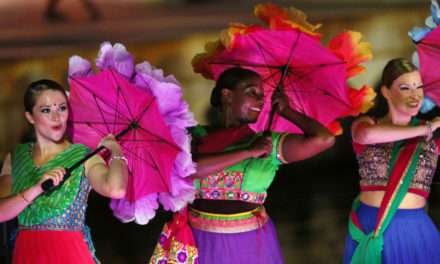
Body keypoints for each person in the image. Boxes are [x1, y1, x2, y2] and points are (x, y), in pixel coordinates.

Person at [151, 67, 335, 264]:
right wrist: (248, 152)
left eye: (262, 96)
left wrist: (287, 111)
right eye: (251, 93)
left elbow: (324, 139)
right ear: (227, 95)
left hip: (250, 246)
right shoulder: (193, 136)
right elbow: (190, 170)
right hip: (202, 242)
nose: (261, 100)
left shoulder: (267, 144)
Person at [0, 79, 128, 264]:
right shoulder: (17, 156)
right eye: (46, 110)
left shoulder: (83, 155)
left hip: (69, 254)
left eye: (62, 108)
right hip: (26, 254)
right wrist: (36, 189)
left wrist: (116, 151)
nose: (56, 116)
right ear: (30, 117)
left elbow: (116, 189)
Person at [343, 58, 440, 263]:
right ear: (386, 92)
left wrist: (429, 129)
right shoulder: (367, 124)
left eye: (419, 87)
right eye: (405, 87)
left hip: (415, 231)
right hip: (371, 225)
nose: (415, 95)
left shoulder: (434, 133)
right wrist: (426, 129)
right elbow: (366, 136)